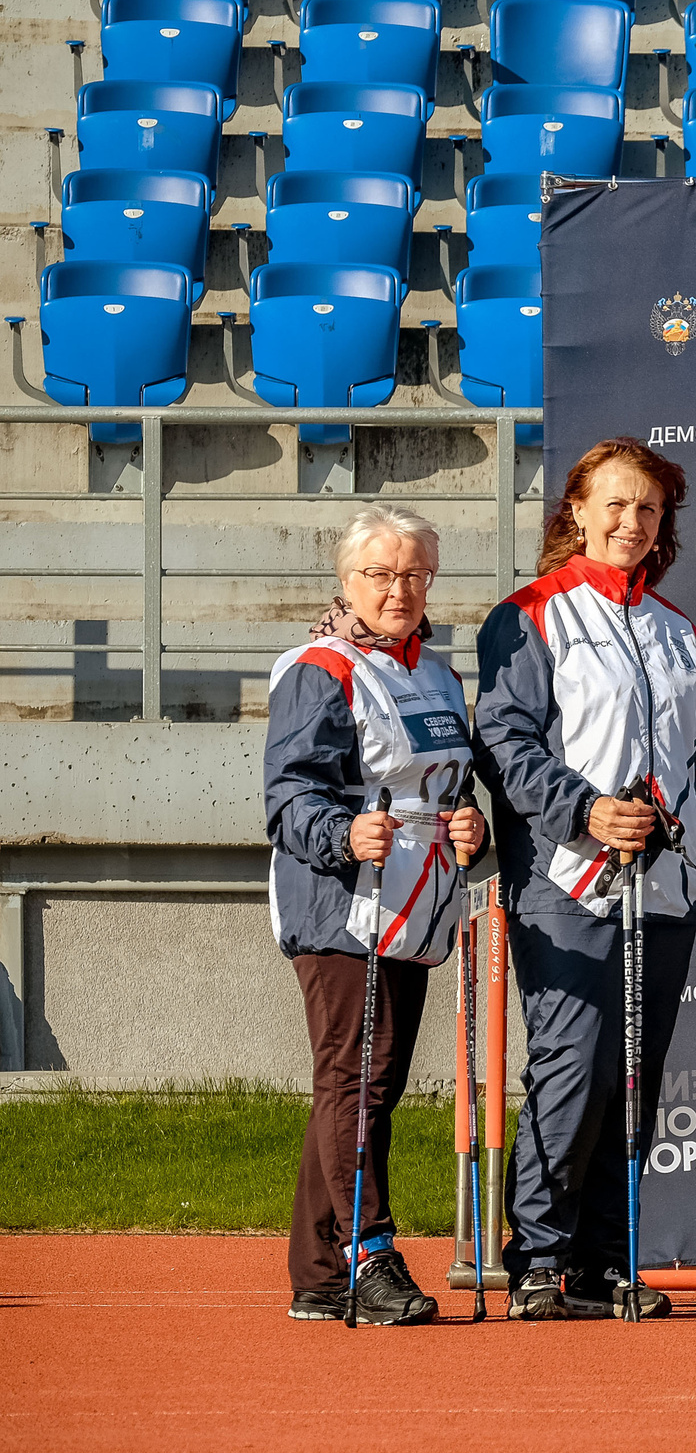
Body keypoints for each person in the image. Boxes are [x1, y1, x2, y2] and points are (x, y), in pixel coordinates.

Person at [475, 436, 696, 1321]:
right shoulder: (528, 614)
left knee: (632, 1079)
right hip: (566, 884)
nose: (630, 522)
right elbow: (505, 741)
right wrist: (583, 811)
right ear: (575, 511)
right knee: (572, 1070)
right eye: (613, 503)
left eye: (647, 509)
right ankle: (537, 1256)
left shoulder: (678, 629)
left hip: (667, 893)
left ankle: (605, 1261)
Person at [265, 504, 486, 1324]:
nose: (399, 590)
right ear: (346, 581)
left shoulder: (438, 671)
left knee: (363, 1083)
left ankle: (317, 1274)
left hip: (416, 904)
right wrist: (342, 830)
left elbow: (450, 785)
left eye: (414, 574)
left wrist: (472, 825)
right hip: (340, 907)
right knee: (357, 1079)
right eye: (381, 574)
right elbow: (288, 797)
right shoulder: (318, 667)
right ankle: (369, 1252)